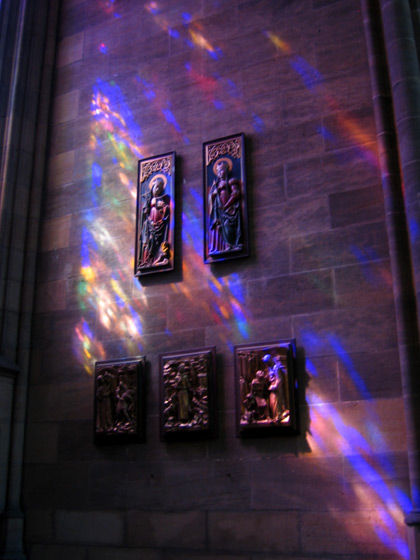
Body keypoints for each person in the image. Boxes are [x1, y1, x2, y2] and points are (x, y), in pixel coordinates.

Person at [208, 158, 242, 254]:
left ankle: (233, 244)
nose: (220, 173)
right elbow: (210, 196)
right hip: (219, 209)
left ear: (226, 171)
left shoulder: (230, 181)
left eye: (222, 170)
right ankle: (224, 246)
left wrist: (226, 206)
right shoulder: (216, 184)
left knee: (228, 226)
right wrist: (213, 194)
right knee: (220, 227)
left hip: (229, 208)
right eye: (218, 171)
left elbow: (235, 194)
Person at [138, 175, 171, 268]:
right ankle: (147, 261)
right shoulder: (149, 200)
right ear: (152, 188)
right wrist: (150, 221)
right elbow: (145, 214)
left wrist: (164, 209)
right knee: (149, 240)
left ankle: (155, 259)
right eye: (156, 187)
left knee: (156, 241)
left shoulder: (162, 199)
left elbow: (165, 211)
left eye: (159, 189)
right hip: (150, 224)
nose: (157, 190)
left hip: (159, 223)